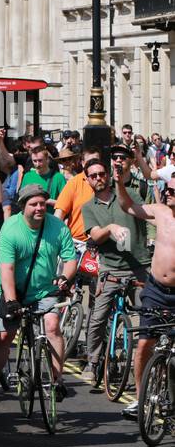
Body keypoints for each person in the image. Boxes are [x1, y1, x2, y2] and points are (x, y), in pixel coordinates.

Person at [0, 185, 78, 410]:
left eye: (42, 204)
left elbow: (70, 259)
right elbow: (6, 269)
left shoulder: (57, 227)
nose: (39, 208)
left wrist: (64, 277)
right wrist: (11, 300)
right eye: (33, 204)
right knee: (5, 336)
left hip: (44, 291)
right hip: (11, 290)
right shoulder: (11, 229)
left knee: (53, 325)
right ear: (22, 206)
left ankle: (57, 380)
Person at [81, 158, 150, 399]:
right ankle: (93, 360)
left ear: (108, 175)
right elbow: (96, 236)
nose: (99, 178)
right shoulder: (88, 207)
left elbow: (146, 215)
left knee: (148, 316)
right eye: (93, 175)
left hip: (139, 267)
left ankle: (149, 362)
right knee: (98, 318)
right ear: (87, 180)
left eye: (102, 173)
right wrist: (109, 227)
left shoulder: (129, 194)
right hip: (110, 270)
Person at [113, 165, 175, 421]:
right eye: (167, 189)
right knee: (144, 345)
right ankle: (140, 399)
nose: (167, 193)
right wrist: (118, 181)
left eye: (172, 190)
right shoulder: (161, 213)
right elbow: (128, 206)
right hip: (156, 290)